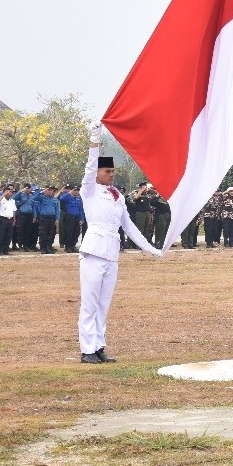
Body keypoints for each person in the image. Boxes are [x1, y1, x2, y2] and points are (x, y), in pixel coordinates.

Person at [79, 123, 164, 363]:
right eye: (106, 171)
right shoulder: (90, 190)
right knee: (90, 303)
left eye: (112, 171)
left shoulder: (116, 196)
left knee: (103, 304)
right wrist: (95, 139)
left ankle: (98, 346)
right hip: (94, 251)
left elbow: (129, 227)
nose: (111, 174)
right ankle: (87, 349)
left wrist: (151, 249)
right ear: (96, 173)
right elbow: (89, 165)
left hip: (111, 253)